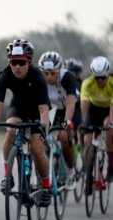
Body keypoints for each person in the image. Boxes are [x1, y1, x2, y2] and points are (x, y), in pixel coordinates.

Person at [0, 39, 52, 207]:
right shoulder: (5, 76)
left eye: (21, 62)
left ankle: (46, 186)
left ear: (29, 62)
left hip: (37, 112)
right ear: (9, 62)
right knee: (10, 129)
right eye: (14, 62)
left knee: (37, 149)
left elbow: (44, 111)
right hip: (18, 109)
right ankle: (8, 177)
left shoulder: (38, 76)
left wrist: (45, 131)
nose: (17, 67)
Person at [38, 51, 79, 190]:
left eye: (53, 73)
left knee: (63, 135)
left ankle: (71, 171)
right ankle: (43, 174)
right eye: (46, 73)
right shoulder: (38, 78)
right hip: (51, 109)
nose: (49, 77)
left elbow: (71, 102)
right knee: (41, 137)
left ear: (59, 70)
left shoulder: (66, 77)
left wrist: (67, 122)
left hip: (69, 108)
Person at [81, 56, 113, 184]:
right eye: (96, 77)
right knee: (87, 140)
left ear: (107, 75)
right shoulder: (87, 83)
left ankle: (111, 166)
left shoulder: (111, 83)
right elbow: (84, 104)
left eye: (102, 77)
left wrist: (111, 123)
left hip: (108, 111)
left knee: (108, 125)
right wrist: (81, 122)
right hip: (93, 111)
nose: (99, 80)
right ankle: (88, 173)